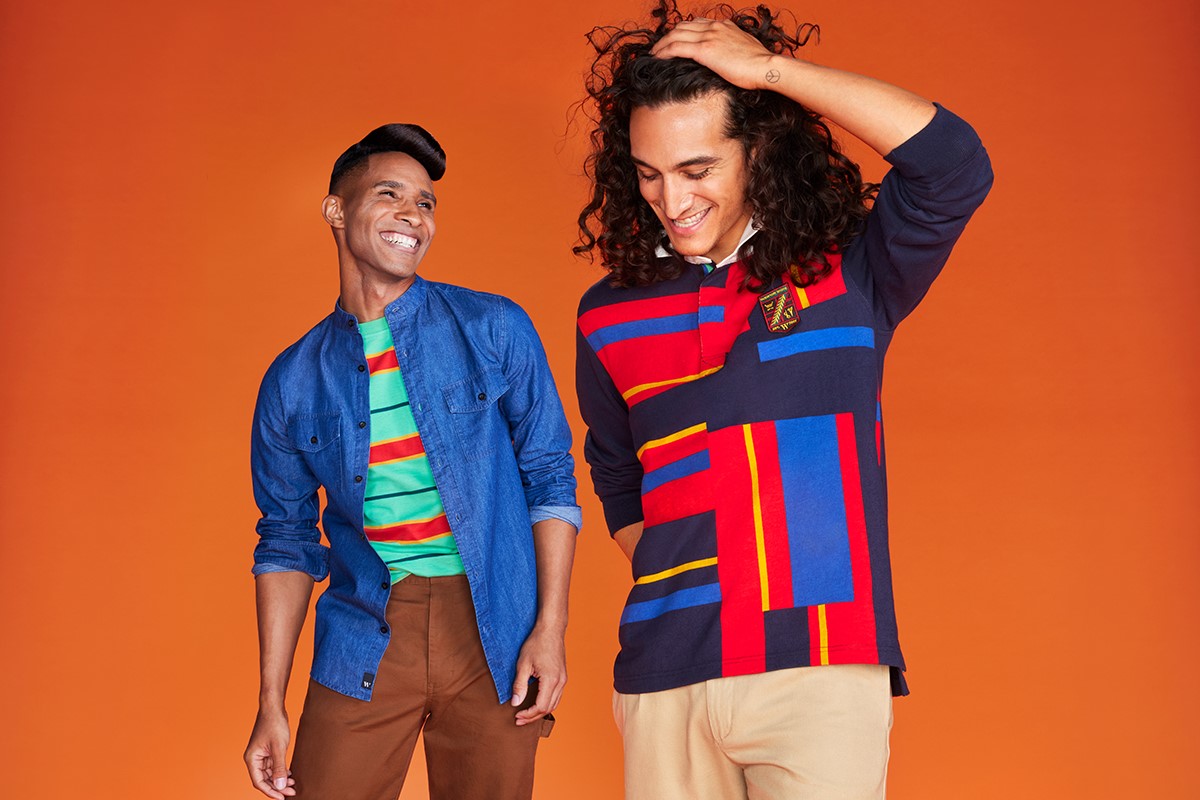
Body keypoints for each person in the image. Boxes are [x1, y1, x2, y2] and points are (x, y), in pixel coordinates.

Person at [574, 3, 992, 798]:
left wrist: (769, 73)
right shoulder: (608, 312)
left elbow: (954, 164)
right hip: (664, 673)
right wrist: (685, 571)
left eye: (698, 170)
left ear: (757, 149)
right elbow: (616, 471)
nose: (672, 198)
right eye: (650, 173)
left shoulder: (851, 273)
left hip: (823, 665)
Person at [243, 123, 580, 800]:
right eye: (389, 193)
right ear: (337, 210)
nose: (413, 215)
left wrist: (549, 628)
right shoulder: (293, 381)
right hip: (366, 631)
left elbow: (550, 477)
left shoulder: (493, 327)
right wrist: (271, 703)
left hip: (492, 633)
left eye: (426, 203)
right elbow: (285, 540)